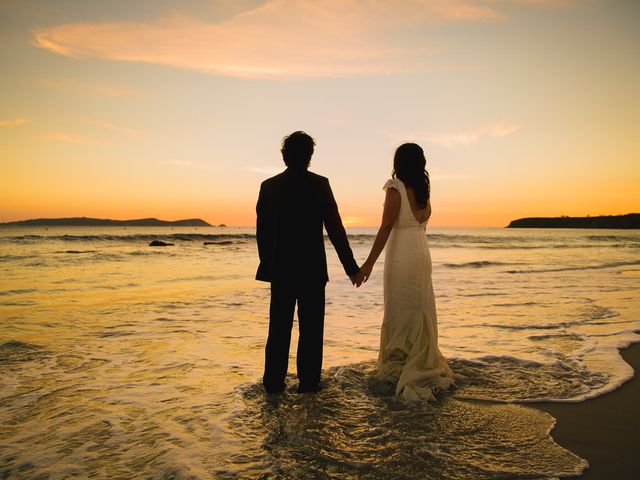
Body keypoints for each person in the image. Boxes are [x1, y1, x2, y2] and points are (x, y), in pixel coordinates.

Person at [256, 131, 361, 394]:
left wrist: (267, 265)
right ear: (310, 157)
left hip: (280, 270)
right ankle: (309, 384)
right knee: (312, 332)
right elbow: (336, 229)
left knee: (278, 330)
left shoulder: (269, 186)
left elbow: (263, 233)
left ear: (284, 156)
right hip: (312, 270)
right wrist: (351, 268)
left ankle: (273, 385)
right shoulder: (320, 184)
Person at [358, 143, 455, 400]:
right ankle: (419, 359)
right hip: (421, 255)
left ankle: (399, 368)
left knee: (400, 309)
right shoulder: (423, 191)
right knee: (418, 308)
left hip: (401, 256)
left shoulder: (395, 187)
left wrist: (367, 264)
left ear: (399, 162)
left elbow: (386, 227)